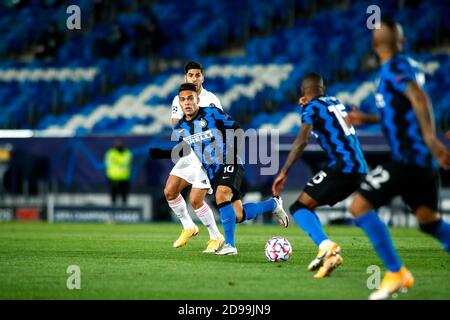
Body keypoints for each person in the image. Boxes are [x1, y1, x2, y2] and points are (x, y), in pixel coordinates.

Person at [347, 19, 450, 300]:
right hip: (420, 161)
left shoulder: (395, 68)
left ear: (374, 43)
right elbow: (401, 111)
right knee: (429, 221)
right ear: (401, 41)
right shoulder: (404, 68)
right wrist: (366, 119)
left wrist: (432, 142)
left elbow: (419, 98)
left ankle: (396, 272)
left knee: (358, 206)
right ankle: (397, 273)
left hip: (411, 159)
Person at [172, 83, 289, 255]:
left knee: (221, 195)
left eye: (190, 98)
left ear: (197, 99)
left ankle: (230, 245)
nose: (187, 102)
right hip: (211, 172)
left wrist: (230, 153)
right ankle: (273, 204)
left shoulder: (212, 113)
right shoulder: (180, 128)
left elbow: (237, 130)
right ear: (179, 104)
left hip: (230, 161)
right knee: (238, 215)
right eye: (183, 100)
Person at [272, 72, 368, 278]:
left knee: (299, 207)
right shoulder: (335, 101)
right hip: (359, 167)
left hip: (343, 166)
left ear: (303, 92)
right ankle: (327, 251)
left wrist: (284, 172)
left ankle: (327, 247)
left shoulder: (310, 108)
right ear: (322, 89)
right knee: (308, 205)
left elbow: (302, 140)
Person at [163, 61, 224, 253]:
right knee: (170, 191)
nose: (194, 78)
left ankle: (216, 237)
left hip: (209, 154)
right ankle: (189, 226)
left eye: (198, 75)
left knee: (196, 200)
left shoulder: (211, 99)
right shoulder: (180, 98)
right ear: (186, 77)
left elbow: (220, 126)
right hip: (191, 153)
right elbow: (176, 126)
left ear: (202, 77)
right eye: (191, 75)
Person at [105, 140, 133, 205]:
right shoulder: (110, 153)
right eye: (117, 145)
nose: (119, 146)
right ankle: (113, 211)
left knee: (124, 197)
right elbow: (108, 164)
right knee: (113, 197)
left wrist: (118, 163)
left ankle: (124, 212)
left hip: (124, 178)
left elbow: (127, 163)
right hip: (113, 178)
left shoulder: (127, 153)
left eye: (120, 145)